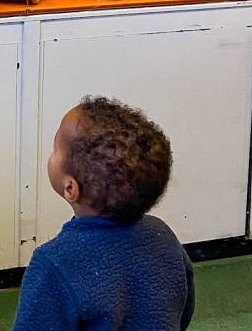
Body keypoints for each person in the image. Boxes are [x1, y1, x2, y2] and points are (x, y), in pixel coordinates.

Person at [12, 96, 194, 330]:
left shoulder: (54, 264)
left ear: (70, 188)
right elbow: (182, 311)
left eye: (55, 147)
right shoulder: (163, 236)